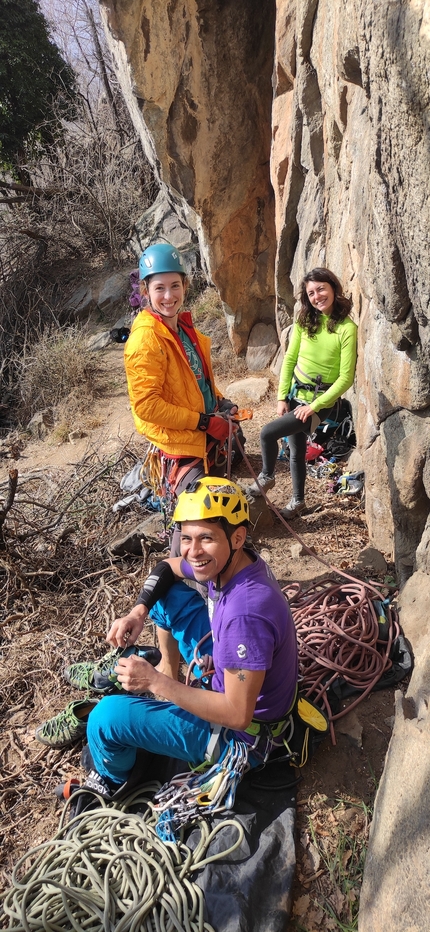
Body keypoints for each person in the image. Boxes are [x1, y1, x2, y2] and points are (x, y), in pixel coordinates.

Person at [77, 477, 298, 798]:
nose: (193, 552)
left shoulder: (245, 615)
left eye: (206, 538)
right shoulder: (233, 563)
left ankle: (112, 781)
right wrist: (138, 612)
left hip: (241, 739)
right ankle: (170, 671)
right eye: (186, 537)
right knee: (167, 596)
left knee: (105, 719)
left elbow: (237, 715)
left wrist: (155, 683)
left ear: (237, 537)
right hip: (227, 671)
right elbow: (167, 567)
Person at [124, 242, 242, 508]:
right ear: (146, 291)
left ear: (185, 286)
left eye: (175, 286)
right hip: (178, 444)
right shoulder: (146, 339)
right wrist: (204, 422)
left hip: (202, 433)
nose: (169, 296)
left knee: (217, 510)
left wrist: (221, 403)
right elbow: (147, 406)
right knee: (199, 514)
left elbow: (196, 381)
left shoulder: (182, 330)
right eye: (160, 288)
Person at [249, 268, 357, 518]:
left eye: (321, 289)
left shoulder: (346, 328)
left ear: (333, 288)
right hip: (296, 394)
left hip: (320, 402)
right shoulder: (304, 320)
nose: (317, 296)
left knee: (267, 433)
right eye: (311, 293)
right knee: (296, 451)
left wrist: (315, 407)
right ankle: (298, 502)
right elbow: (289, 360)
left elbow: (345, 378)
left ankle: (266, 477)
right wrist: (281, 397)